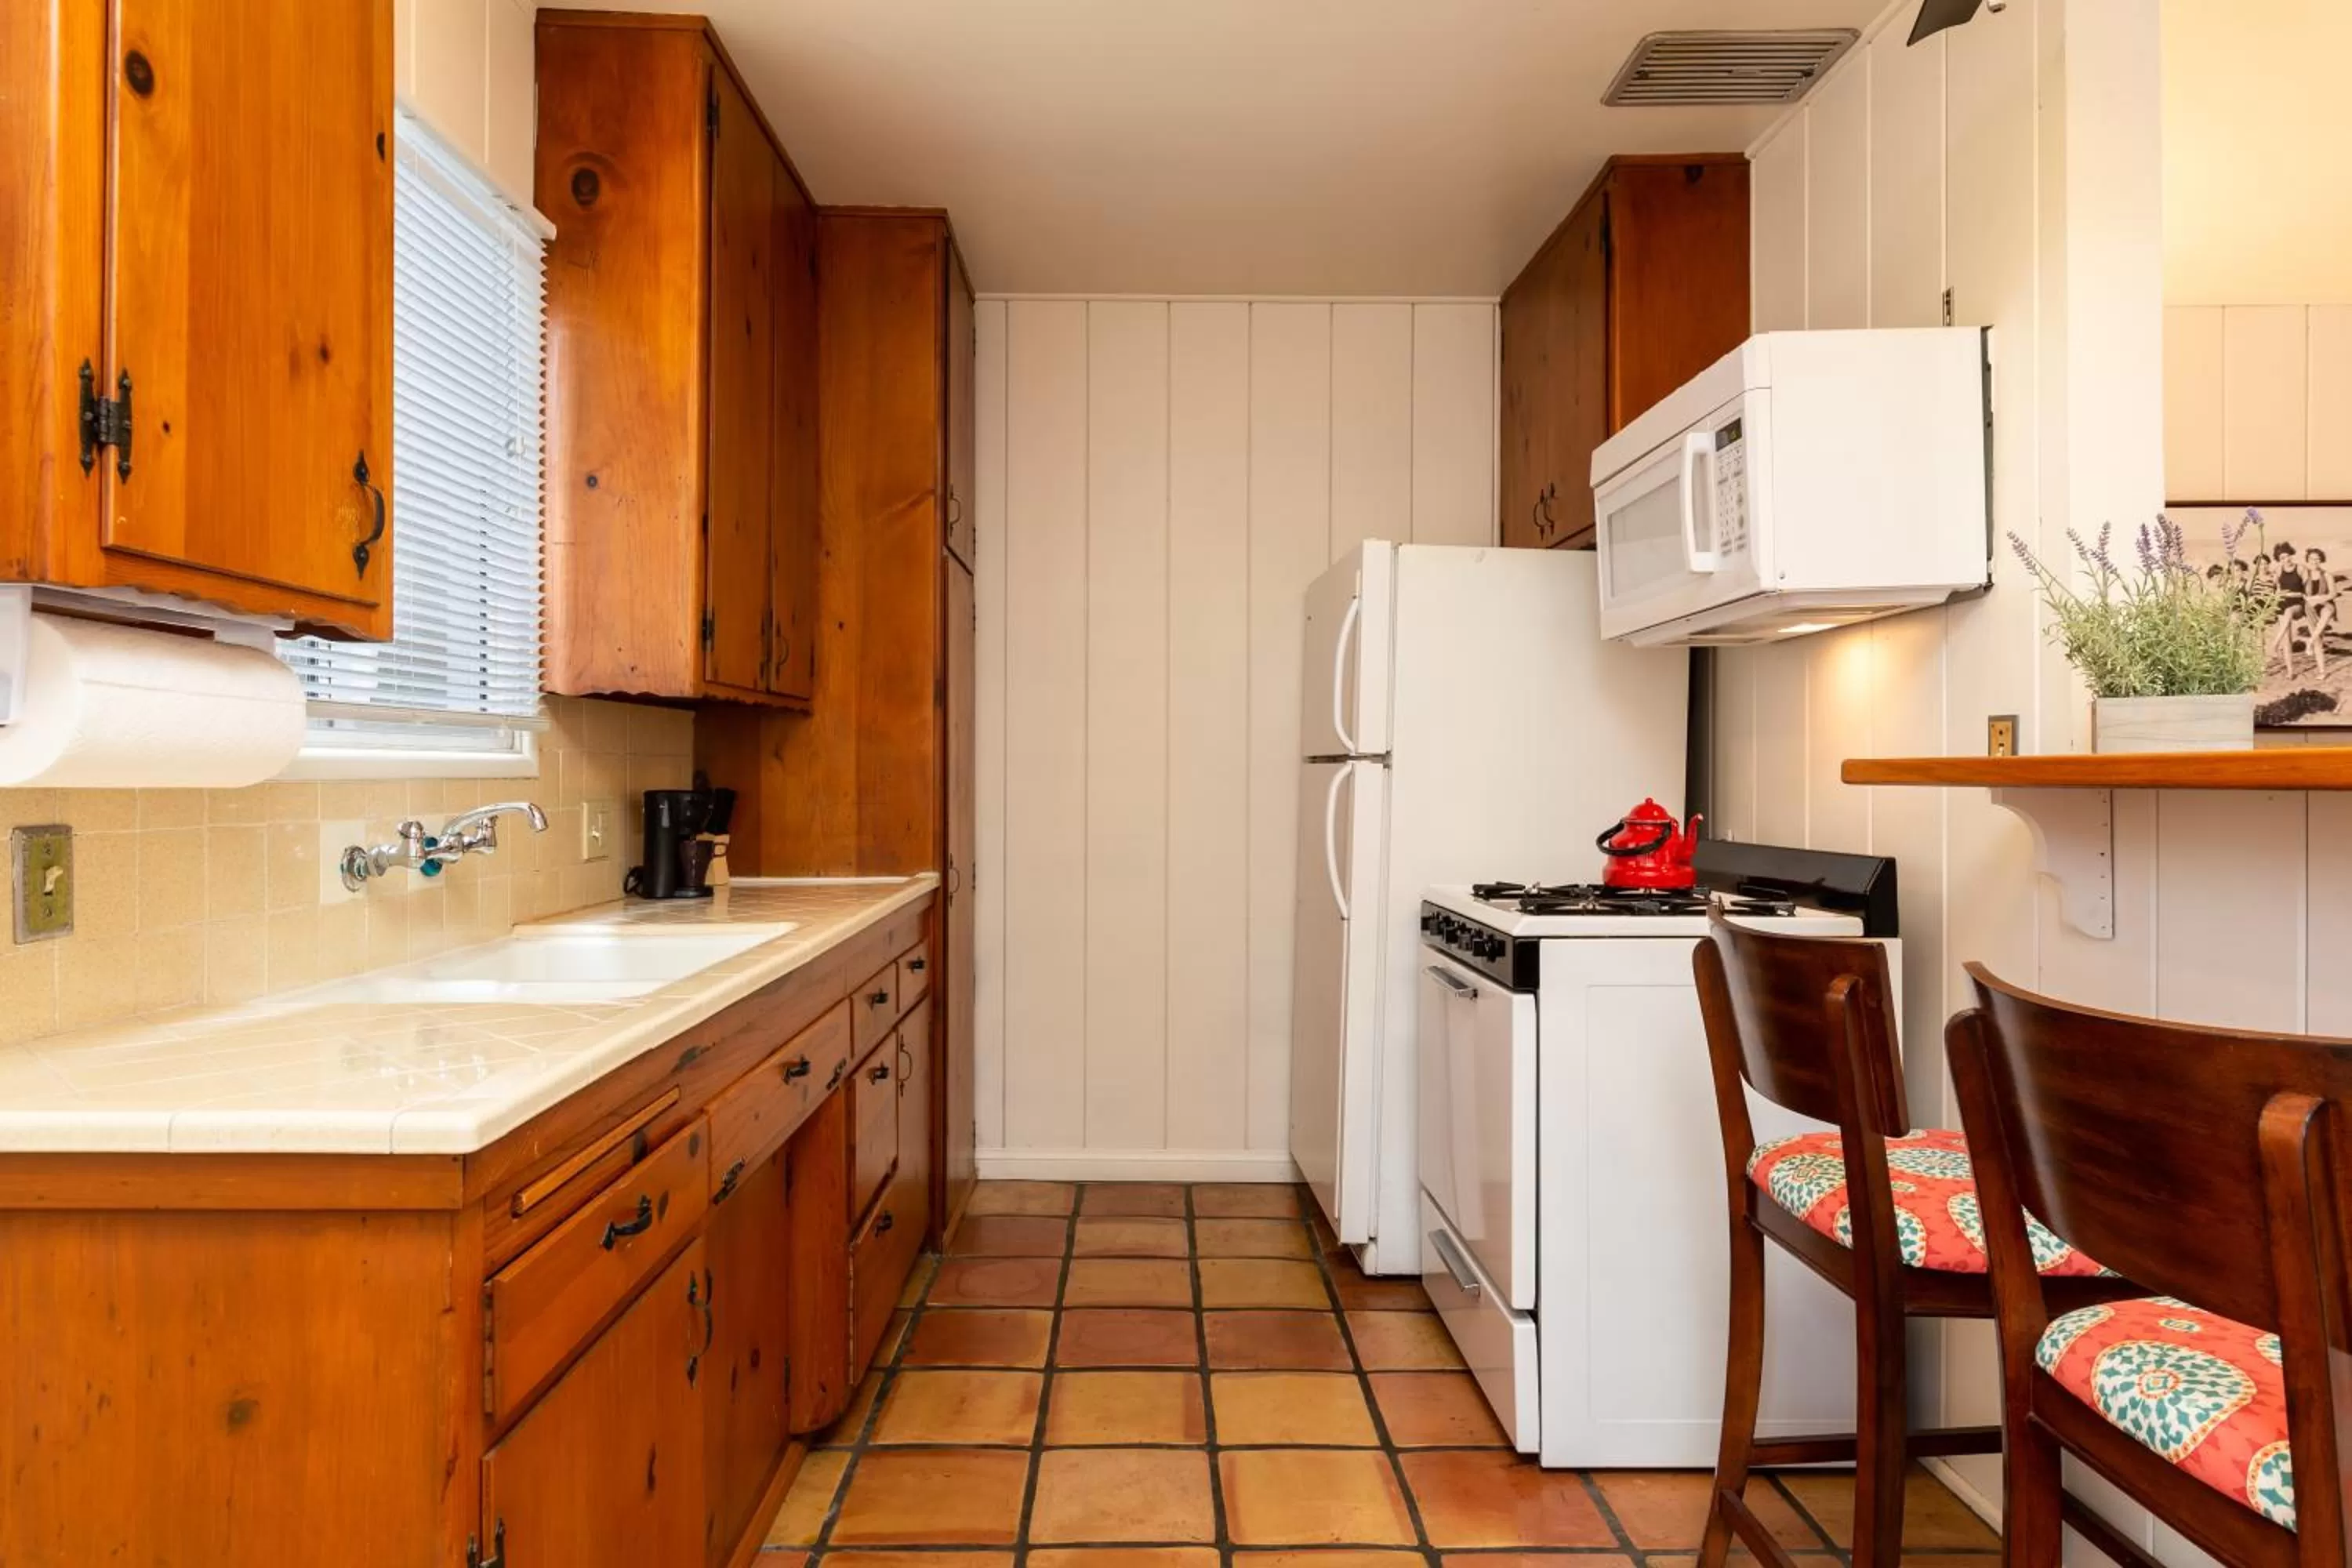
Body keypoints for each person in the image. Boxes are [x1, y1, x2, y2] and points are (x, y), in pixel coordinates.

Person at [2270, 541, 2310, 677]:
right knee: (2287, 638)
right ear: (2279, 560)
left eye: (2287, 556)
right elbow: (2274, 590)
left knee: (2288, 612)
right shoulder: (2278, 570)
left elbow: (2306, 592)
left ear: (2291, 555)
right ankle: (2290, 671)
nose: (2286, 560)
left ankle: (2275, 644)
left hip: (2298, 604)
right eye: (2282, 558)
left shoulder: (2301, 569)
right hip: (2283, 603)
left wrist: (2292, 594)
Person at [2304, 546, 2339, 677]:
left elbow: (2333, 594)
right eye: (2312, 559)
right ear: (2308, 560)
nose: (2315, 562)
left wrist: (2318, 598)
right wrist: (2309, 600)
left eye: (2318, 560)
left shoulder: (2327, 575)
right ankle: (2322, 671)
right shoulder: (2304, 575)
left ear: (2321, 560)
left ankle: (2309, 642)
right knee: (2319, 638)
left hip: (2325, 604)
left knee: (2328, 612)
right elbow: (2301, 593)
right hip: (2310, 608)